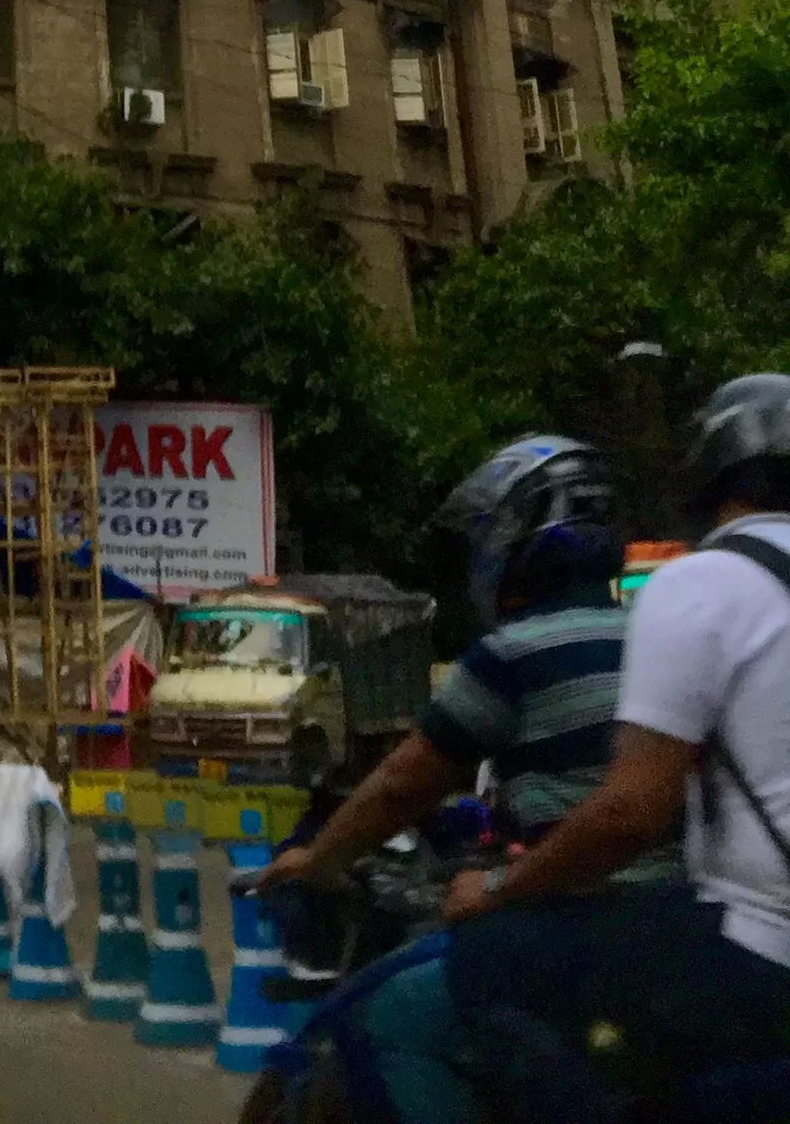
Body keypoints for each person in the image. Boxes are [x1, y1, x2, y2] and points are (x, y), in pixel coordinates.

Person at [259, 433, 646, 1124]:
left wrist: (319, 859)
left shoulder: (510, 654)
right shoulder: (653, 636)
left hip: (578, 923)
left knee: (390, 1018)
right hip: (680, 920)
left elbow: (404, 785)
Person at [445, 376, 790, 1121]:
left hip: (763, 953)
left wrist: (500, 891)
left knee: (483, 961)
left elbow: (630, 812)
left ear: (711, 477)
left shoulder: (699, 584)